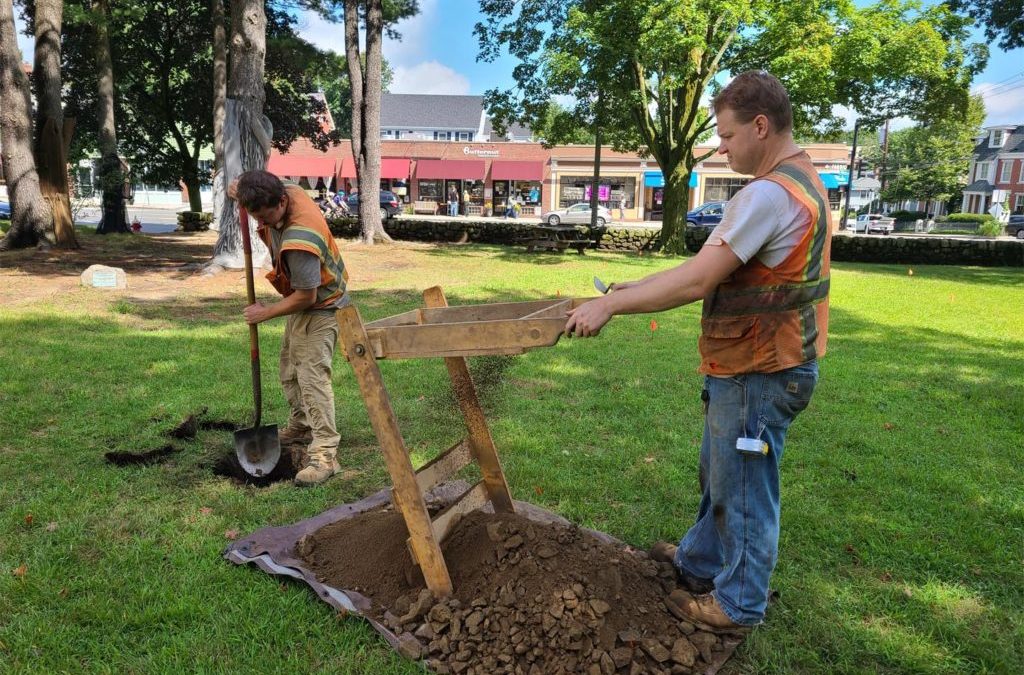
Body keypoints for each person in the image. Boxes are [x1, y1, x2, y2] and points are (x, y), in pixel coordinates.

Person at [564, 71, 831, 631]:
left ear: (761, 126)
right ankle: (700, 560)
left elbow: (695, 282)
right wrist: (629, 291)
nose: (722, 148)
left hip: (761, 366)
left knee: (746, 488)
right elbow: (698, 268)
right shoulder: (801, 179)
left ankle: (737, 605)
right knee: (722, 473)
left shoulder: (766, 194)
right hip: (760, 362)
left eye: (728, 137)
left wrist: (610, 308)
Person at [230, 170, 351, 487]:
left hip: (321, 304)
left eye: (267, 216)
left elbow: (306, 295)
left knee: (312, 377)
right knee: (289, 368)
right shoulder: (282, 189)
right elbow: (256, 184)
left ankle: (326, 456)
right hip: (304, 302)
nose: (264, 223)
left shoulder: (301, 240)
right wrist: (238, 191)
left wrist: (264, 313)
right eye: (256, 216)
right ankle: (301, 424)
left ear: (282, 202)